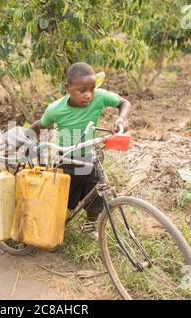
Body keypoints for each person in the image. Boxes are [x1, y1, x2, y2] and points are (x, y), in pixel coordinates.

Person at [30, 62, 132, 236]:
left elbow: (124, 103)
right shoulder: (55, 109)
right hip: (67, 158)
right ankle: (53, 226)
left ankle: (90, 226)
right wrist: (28, 138)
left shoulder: (99, 97)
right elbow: (41, 124)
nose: (89, 95)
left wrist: (121, 118)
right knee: (63, 197)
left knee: (97, 194)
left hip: (91, 154)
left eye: (92, 89)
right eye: (82, 90)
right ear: (68, 88)